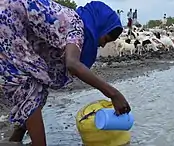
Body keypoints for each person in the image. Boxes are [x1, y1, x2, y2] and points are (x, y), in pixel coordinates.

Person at [0, 0, 131, 145]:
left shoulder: (71, 23)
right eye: (105, 38)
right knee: (27, 86)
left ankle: (14, 140)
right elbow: (72, 64)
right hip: (7, 17)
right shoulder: (76, 25)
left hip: (14, 21)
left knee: (38, 85)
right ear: (99, 25)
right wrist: (114, 94)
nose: (102, 44)